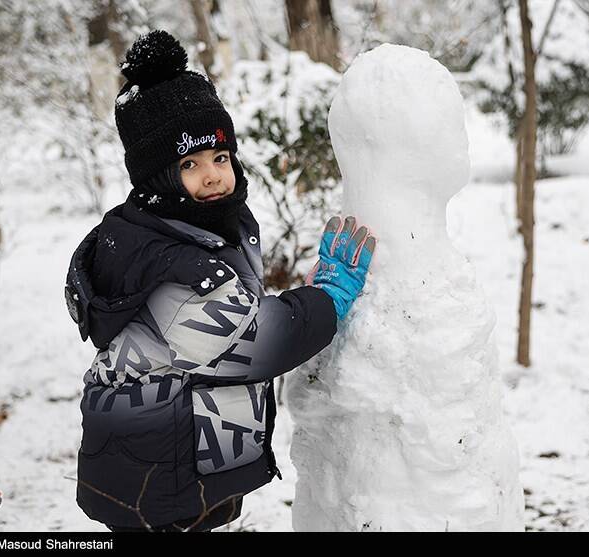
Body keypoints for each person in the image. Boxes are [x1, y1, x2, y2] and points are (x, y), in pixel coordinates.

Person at [64, 30, 375, 532]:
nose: (212, 175)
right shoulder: (172, 267)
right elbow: (258, 338)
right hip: (157, 476)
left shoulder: (186, 229)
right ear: (157, 179)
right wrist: (328, 299)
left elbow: (229, 316)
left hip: (162, 450)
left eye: (220, 158)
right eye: (189, 164)